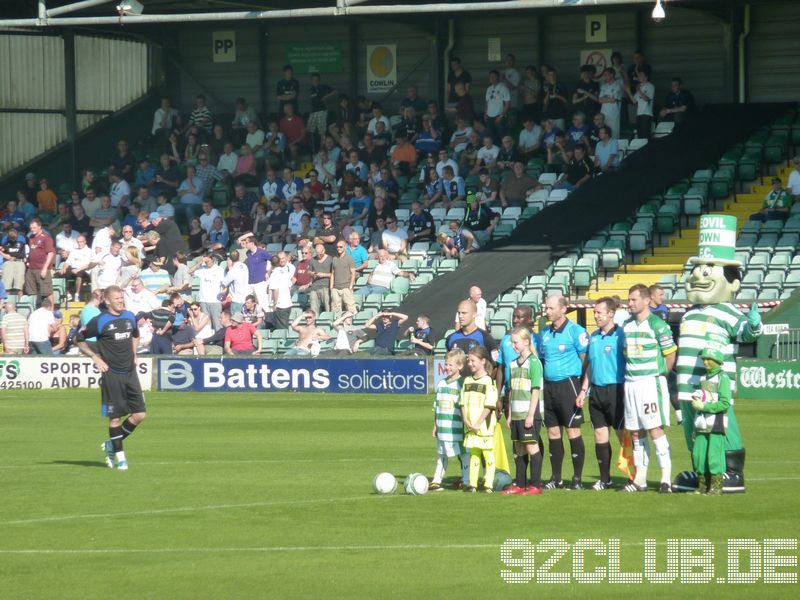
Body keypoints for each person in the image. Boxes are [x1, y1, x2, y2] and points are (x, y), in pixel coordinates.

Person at [76, 285, 146, 471]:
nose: (120, 301)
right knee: (115, 419)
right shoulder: (100, 321)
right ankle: (120, 458)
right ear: (106, 301)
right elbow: (78, 338)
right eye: (116, 298)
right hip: (112, 375)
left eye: (121, 297)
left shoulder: (130, 316)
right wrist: (95, 357)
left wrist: (134, 353)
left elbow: (135, 335)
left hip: (130, 373)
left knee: (140, 415)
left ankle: (111, 444)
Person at [622, 284, 677, 493]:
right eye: (629, 299)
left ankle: (665, 479)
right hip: (630, 383)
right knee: (635, 432)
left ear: (646, 301)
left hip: (650, 383)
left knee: (655, 429)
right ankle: (640, 480)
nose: (630, 303)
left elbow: (670, 354)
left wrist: (661, 374)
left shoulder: (657, 325)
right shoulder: (626, 326)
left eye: (634, 299)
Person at [537, 294, 589, 490]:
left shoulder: (576, 331)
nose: (547, 311)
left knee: (572, 430)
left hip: (569, 385)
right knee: (552, 431)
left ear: (563, 309)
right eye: (546, 308)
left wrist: (583, 388)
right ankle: (556, 478)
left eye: (551, 308)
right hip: (549, 387)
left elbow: (586, 360)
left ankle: (577, 479)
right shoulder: (545, 333)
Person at [576, 297, 626, 490]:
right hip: (596, 391)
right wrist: (583, 390)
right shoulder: (594, 336)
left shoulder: (621, 335)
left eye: (599, 312)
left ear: (611, 313)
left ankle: (633, 477)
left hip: (616, 390)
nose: (595, 316)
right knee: (599, 434)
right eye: (594, 312)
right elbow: (590, 366)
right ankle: (605, 479)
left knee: (623, 435)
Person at [500, 327, 544, 496]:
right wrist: (510, 414)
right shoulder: (512, 364)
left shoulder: (534, 362)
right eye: (512, 342)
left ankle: (536, 485)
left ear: (526, 342)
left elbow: (535, 390)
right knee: (519, 449)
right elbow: (511, 391)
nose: (513, 346)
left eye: (516, 342)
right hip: (517, 413)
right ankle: (520, 484)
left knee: (532, 447)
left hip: (529, 413)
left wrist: (531, 415)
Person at [690, 347, 731, 495]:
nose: (705, 362)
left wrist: (704, 406)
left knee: (714, 456)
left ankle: (716, 487)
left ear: (717, 361)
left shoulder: (723, 378)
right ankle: (702, 486)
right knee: (699, 455)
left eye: (708, 359)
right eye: (704, 359)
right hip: (701, 423)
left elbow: (725, 403)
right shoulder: (702, 378)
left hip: (716, 423)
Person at [430, 348, 471, 491]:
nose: (447, 367)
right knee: (441, 454)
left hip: (456, 428)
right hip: (442, 427)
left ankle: (466, 479)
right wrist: (435, 425)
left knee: (463, 453)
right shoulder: (441, 384)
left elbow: (465, 406)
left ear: (460, 366)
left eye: (450, 365)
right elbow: (436, 407)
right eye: (446, 364)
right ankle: (436, 480)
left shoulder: (462, 384)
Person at [460, 346, 498, 493]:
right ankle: (472, 484)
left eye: (473, 360)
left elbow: (489, 405)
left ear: (483, 361)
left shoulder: (488, 381)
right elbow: (462, 402)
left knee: (488, 454)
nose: (470, 363)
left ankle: (488, 484)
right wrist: (466, 420)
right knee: (474, 454)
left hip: (483, 425)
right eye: (469, 360)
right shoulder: (467, 380)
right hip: (470, 425)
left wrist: (478, 423)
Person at [189, 251, 225, 330]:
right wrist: (200, 262)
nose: (207, 263)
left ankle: (219, 341)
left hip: (215, 301)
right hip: (203, 301)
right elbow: (189, 271)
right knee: (206, 325)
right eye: (205, 261)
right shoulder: (202, 269)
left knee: (217, 324)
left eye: (208, 261)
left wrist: (223, 296)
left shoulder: (219, 270)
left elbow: (224, 284)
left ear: (213, 259)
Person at [330, 240, 356, 317]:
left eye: (340, 246)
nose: (338, 248)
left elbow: (353, 273)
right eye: (337, 247)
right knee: (335, 310)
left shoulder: (349, 258)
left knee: (351, 308)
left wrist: (350, 286)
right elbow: (332, 273)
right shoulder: (334, 259)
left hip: (346, 287)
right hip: (335, 288)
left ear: (345, 247)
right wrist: (331, 287)